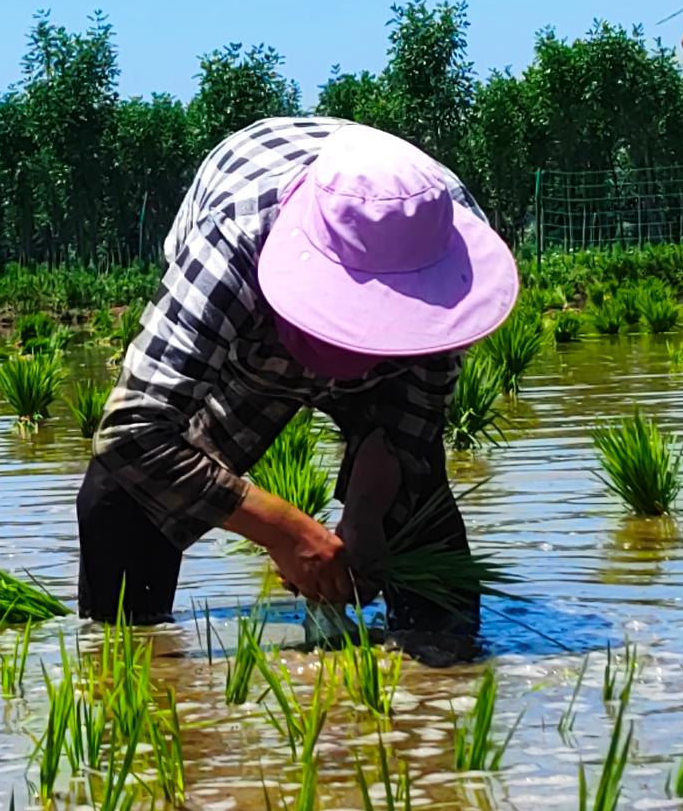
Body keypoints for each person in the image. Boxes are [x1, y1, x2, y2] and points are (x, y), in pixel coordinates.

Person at [79, 117, 519, 661]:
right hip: (258, 346)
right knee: (124, 503)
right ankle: (133, 673)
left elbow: (407, 423)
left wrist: (363, 517)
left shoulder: (447, 258)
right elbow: (134, 431)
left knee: (418, 519)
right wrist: (286, 532)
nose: (347, 370)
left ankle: (435, 701)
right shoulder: (233, 239)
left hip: (395, 355)